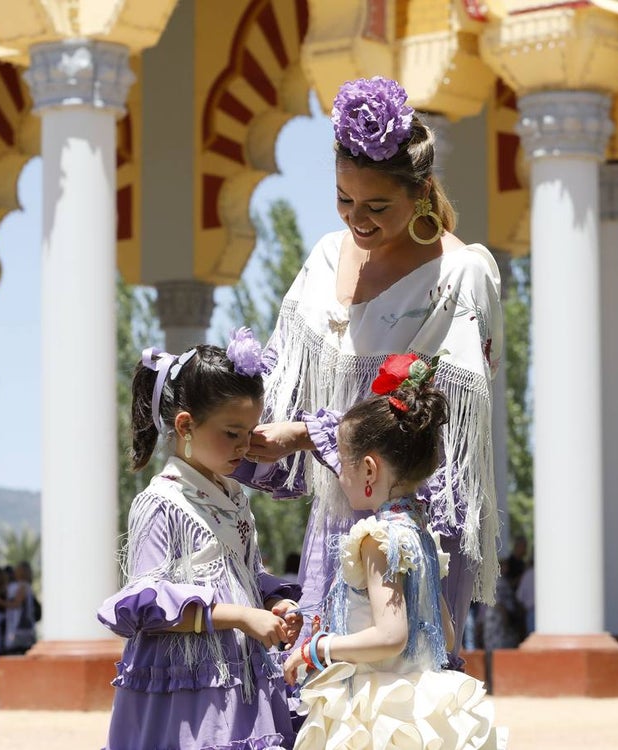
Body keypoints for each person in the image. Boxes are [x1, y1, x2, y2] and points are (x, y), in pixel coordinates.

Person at [234, 76, 503, 657]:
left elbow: (429, 420)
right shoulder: (326, 255)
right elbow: (282, 375)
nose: (357, 218)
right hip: (337, 513)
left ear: (422, 193)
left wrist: (307, 434)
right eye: (344, 199)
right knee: (325, 697)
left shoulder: (460, 276)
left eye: (378, 206)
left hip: (409, 521)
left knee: (402, 695)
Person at [282, 356, 502, 748]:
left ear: (368, 470)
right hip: (423, 702)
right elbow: (446, 633)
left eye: (343, 464)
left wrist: (318, 649)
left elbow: (390, 635)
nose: (341, 475)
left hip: (381, 707)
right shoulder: (421, 534)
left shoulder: (377, 538)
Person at [97, 333, 303, 750]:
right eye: (232, 433)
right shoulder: (160, 503)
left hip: (241, 676)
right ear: (186, 424)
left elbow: (242, 575)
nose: (245, 446)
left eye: (250, 431)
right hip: (188, 693)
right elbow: (150, 608)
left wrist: (272, 603)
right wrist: (243, 617)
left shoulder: (233, 498)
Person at [4, 561, 37, 653]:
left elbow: (16, 604)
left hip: (20, 627)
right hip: (19, 627)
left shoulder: (23, 586)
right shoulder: (21, 586)